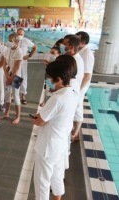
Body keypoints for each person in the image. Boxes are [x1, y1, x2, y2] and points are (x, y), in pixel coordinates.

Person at [31, 60, 79, 200]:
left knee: (42, 182)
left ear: (58, 79)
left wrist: (36, 119)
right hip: (61, 143)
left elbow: (40, 121)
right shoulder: (73, 92)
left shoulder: (57, 98)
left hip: (48, 146)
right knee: (57, 177)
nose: (48, 80)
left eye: (50, 78)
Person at [60, 34, 85, 142]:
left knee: (72, 115)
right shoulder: (71, 58)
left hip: (71, 92)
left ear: (71, 47)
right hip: (68, 91)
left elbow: (70, 79)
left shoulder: (75, 61)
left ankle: (73, 134)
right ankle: (72, 134)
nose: (62, 45)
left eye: (65, 44)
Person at [71, 31, 94, 142]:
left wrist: (78, 89)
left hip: (81, 86)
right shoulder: (79, 51)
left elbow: (87, 75)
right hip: (76, 84)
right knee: (73, 106)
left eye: (77, 39)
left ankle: (75, 133)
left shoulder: (87, 54)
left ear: (83, 42)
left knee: (77, 107)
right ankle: (73, 129)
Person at [0, 33, 23, 124]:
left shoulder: (19, 51)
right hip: (7, 75)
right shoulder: (7, 50)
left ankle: (18, 117)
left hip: (16, 77)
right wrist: (6, 75)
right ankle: (6, 113)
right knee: (7, 94)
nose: (8, 42)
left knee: (16, 96)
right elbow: (4, 64)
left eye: (10, 41)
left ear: (16, 42)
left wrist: (11, 78)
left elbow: (16, 67)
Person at [16, 28, 38, 104]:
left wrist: (29, 55)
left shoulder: (26, 41)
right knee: (16, 77)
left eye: (21, 34)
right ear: (16, 33)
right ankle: (14, 94)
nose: (19, 35)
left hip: (23, 63)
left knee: (23, 78)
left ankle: (23, 95)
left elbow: (35, 47)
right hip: (15, 62)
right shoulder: (13, 41)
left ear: (23, 35)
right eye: (18, 34)